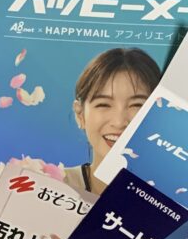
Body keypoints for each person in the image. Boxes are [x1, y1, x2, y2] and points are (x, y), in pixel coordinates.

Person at [64, 48, 160, 196]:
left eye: (137, 105)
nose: (119, 122)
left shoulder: (177, 202)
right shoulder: (53, 185)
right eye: (103, 104)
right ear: (80, 114)